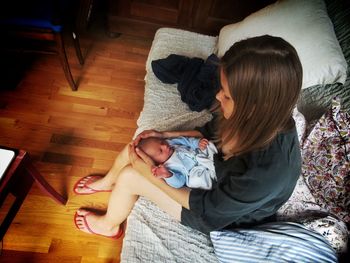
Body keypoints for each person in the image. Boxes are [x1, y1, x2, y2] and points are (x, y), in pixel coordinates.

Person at [73, 35, 303, 239]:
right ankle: (107, 182)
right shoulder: (260, 115)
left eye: (227, 95)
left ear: (253, 106)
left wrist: (147, 174)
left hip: (216, 211)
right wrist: (164, 135)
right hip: (210, 169)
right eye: (222, 87)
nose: (217, 96)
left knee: (130, 176)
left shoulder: (264, 174)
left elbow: (207, 209)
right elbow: (211, 132)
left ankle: (108, 225)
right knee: (141, 146)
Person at [137, 136, 218, 189]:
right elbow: (179, 183)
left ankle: (216, 159)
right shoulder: (167, 168)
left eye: (162, 142)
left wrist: (197, 143)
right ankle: (214, 175)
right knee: (196, 181)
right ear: (156, 162)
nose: (165, 146)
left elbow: (186, 141)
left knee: (208, 144)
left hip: (199, 154)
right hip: (193, 172)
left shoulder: (171, 143)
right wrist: (168, 175)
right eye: (160, 151)